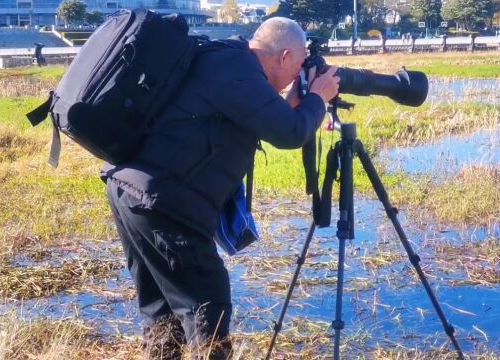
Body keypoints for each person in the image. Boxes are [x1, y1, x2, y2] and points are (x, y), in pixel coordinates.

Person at [102, 17, 339, 359]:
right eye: (300, 64)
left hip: (133, 191)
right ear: (285, 56)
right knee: (206, 310)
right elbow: (291, 133)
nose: (299, 72)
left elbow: (262, 121)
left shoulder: (228, 60)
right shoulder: (238, 71)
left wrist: (294, 102)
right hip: (163, 202)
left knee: (162, 313)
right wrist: (318, 97)